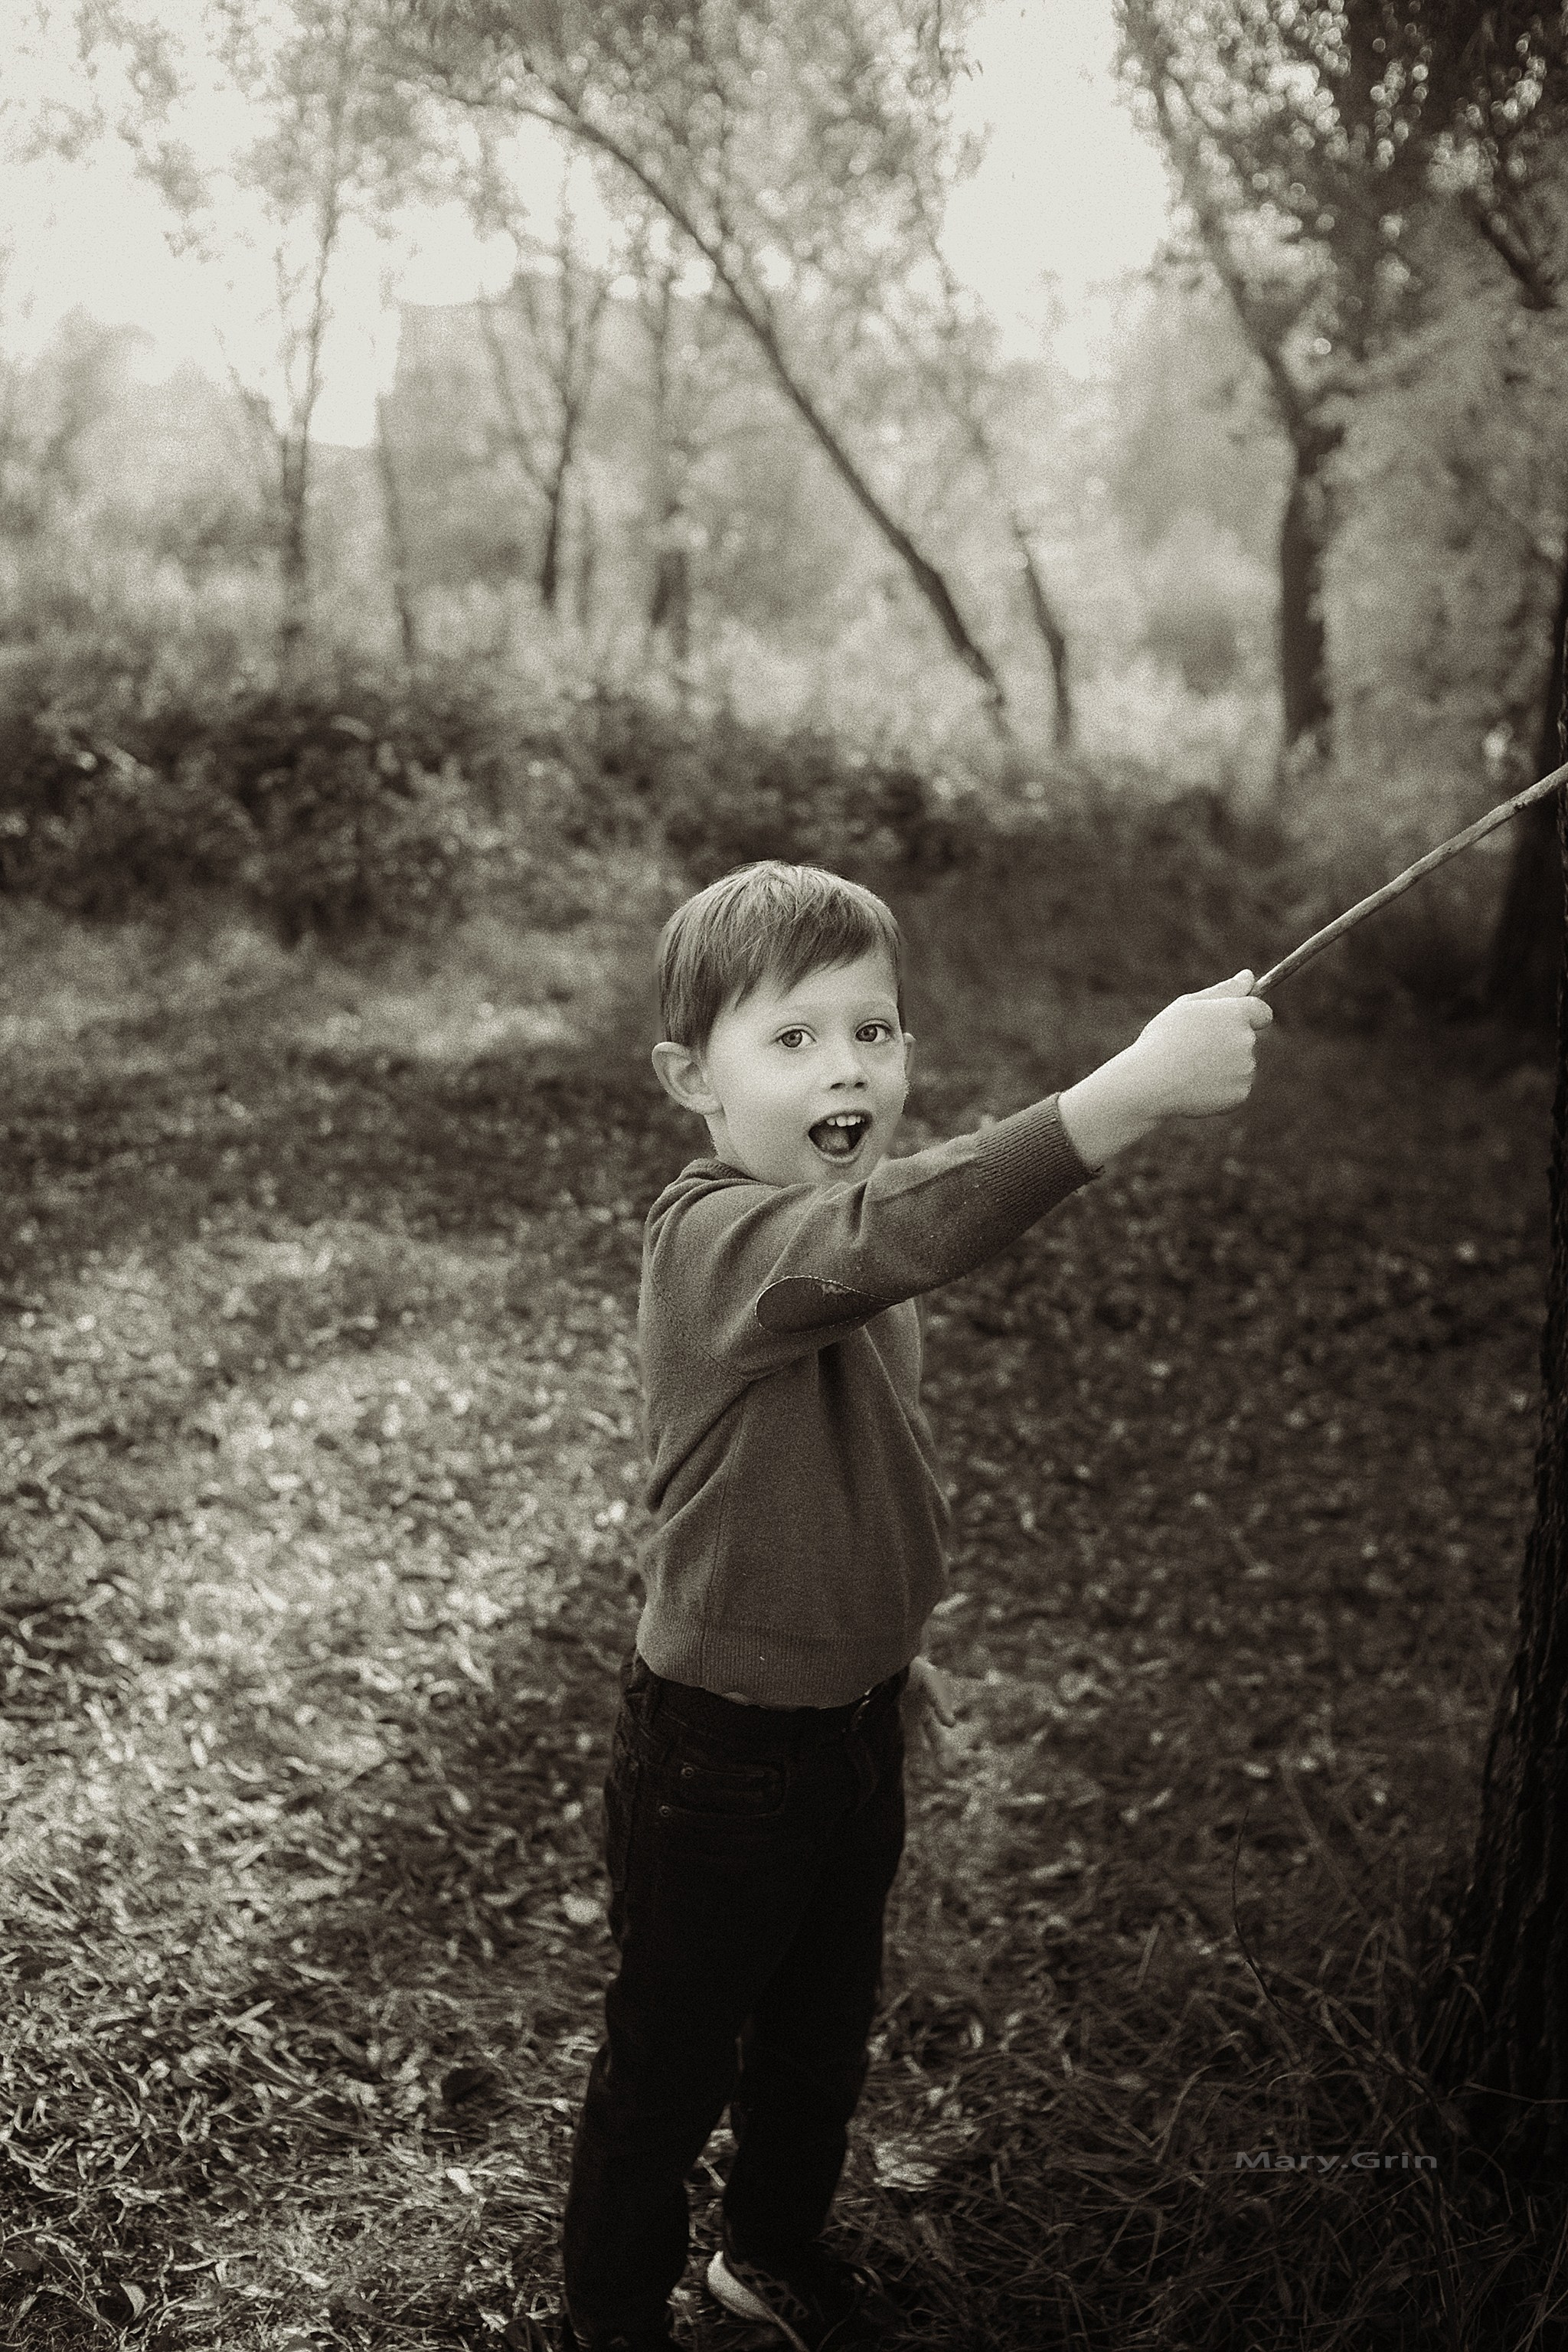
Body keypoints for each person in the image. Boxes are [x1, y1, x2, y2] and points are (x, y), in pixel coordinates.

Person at [554, 860, 1272, 2351]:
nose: (848, 1068)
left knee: (818, 2038)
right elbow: (894, 1230)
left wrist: (891, 1650)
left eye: (872, 1032)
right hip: (715, 1760)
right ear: (691, 1078)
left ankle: (766, 2257)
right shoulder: (716, 1241)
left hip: (851, 1725)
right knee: (671, 2061)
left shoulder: (857, 1243)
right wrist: (1121, 1095)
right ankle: (610, 2311)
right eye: (795, 1037)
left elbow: (860, 1471)